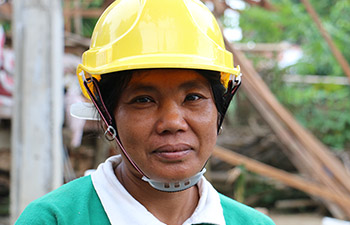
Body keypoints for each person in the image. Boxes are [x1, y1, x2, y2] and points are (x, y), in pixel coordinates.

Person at [16, 0, 275, 224]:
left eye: (193, 97)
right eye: (143, 100)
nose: (173, 123)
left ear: (220, 108)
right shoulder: (54, 219)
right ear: (107, 113)